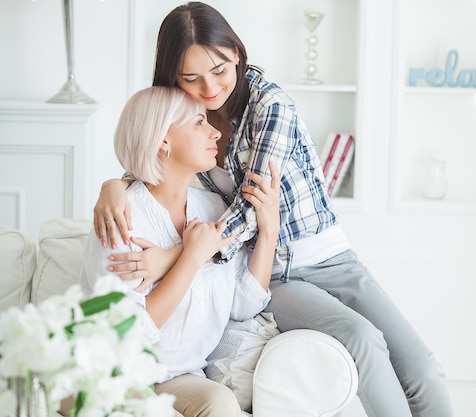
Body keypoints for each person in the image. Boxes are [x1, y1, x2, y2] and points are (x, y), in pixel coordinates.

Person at [93, 3, 453, 416]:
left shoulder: (269, 104)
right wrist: (115, 185)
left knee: (424, 371)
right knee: (361, 338)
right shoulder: (187, 116)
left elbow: (251, 205)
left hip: (331, 256)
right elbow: (150, 152)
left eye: (221, 69)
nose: (210, 88)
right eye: (191, 78)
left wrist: (174, 258)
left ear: (238, 54)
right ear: (173, 78)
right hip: (278, 273)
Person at [80, 86, 280, 417]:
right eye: (200, 122)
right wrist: (190, 258)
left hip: (180, 376)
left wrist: (269, 230)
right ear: (163, 141)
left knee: (221, 404)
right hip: (116, 374)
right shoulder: (121, 216)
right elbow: (126, 333)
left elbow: (243, 305)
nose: (216, 131)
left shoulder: (215, 207)